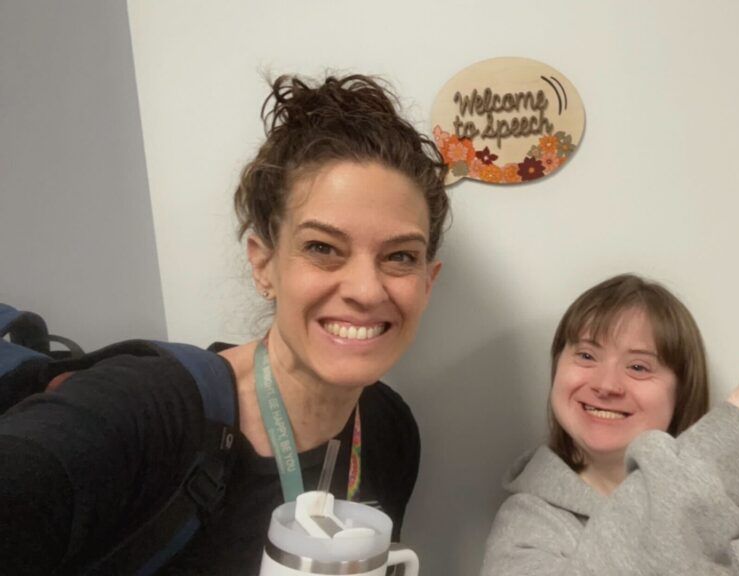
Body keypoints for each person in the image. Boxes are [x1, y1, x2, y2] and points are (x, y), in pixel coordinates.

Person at [0, 74, 448, 574]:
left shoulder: (390, 430)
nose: (366, 290)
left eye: (400, 256)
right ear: (263, 264)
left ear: (427, 283)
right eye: (322, 247)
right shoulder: (144, 413)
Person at [481, 274, 739, 575]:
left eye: (638, 366)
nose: (606, 385)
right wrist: (691, 495)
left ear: (681, 391)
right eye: (586, 355)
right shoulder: (529, 526)